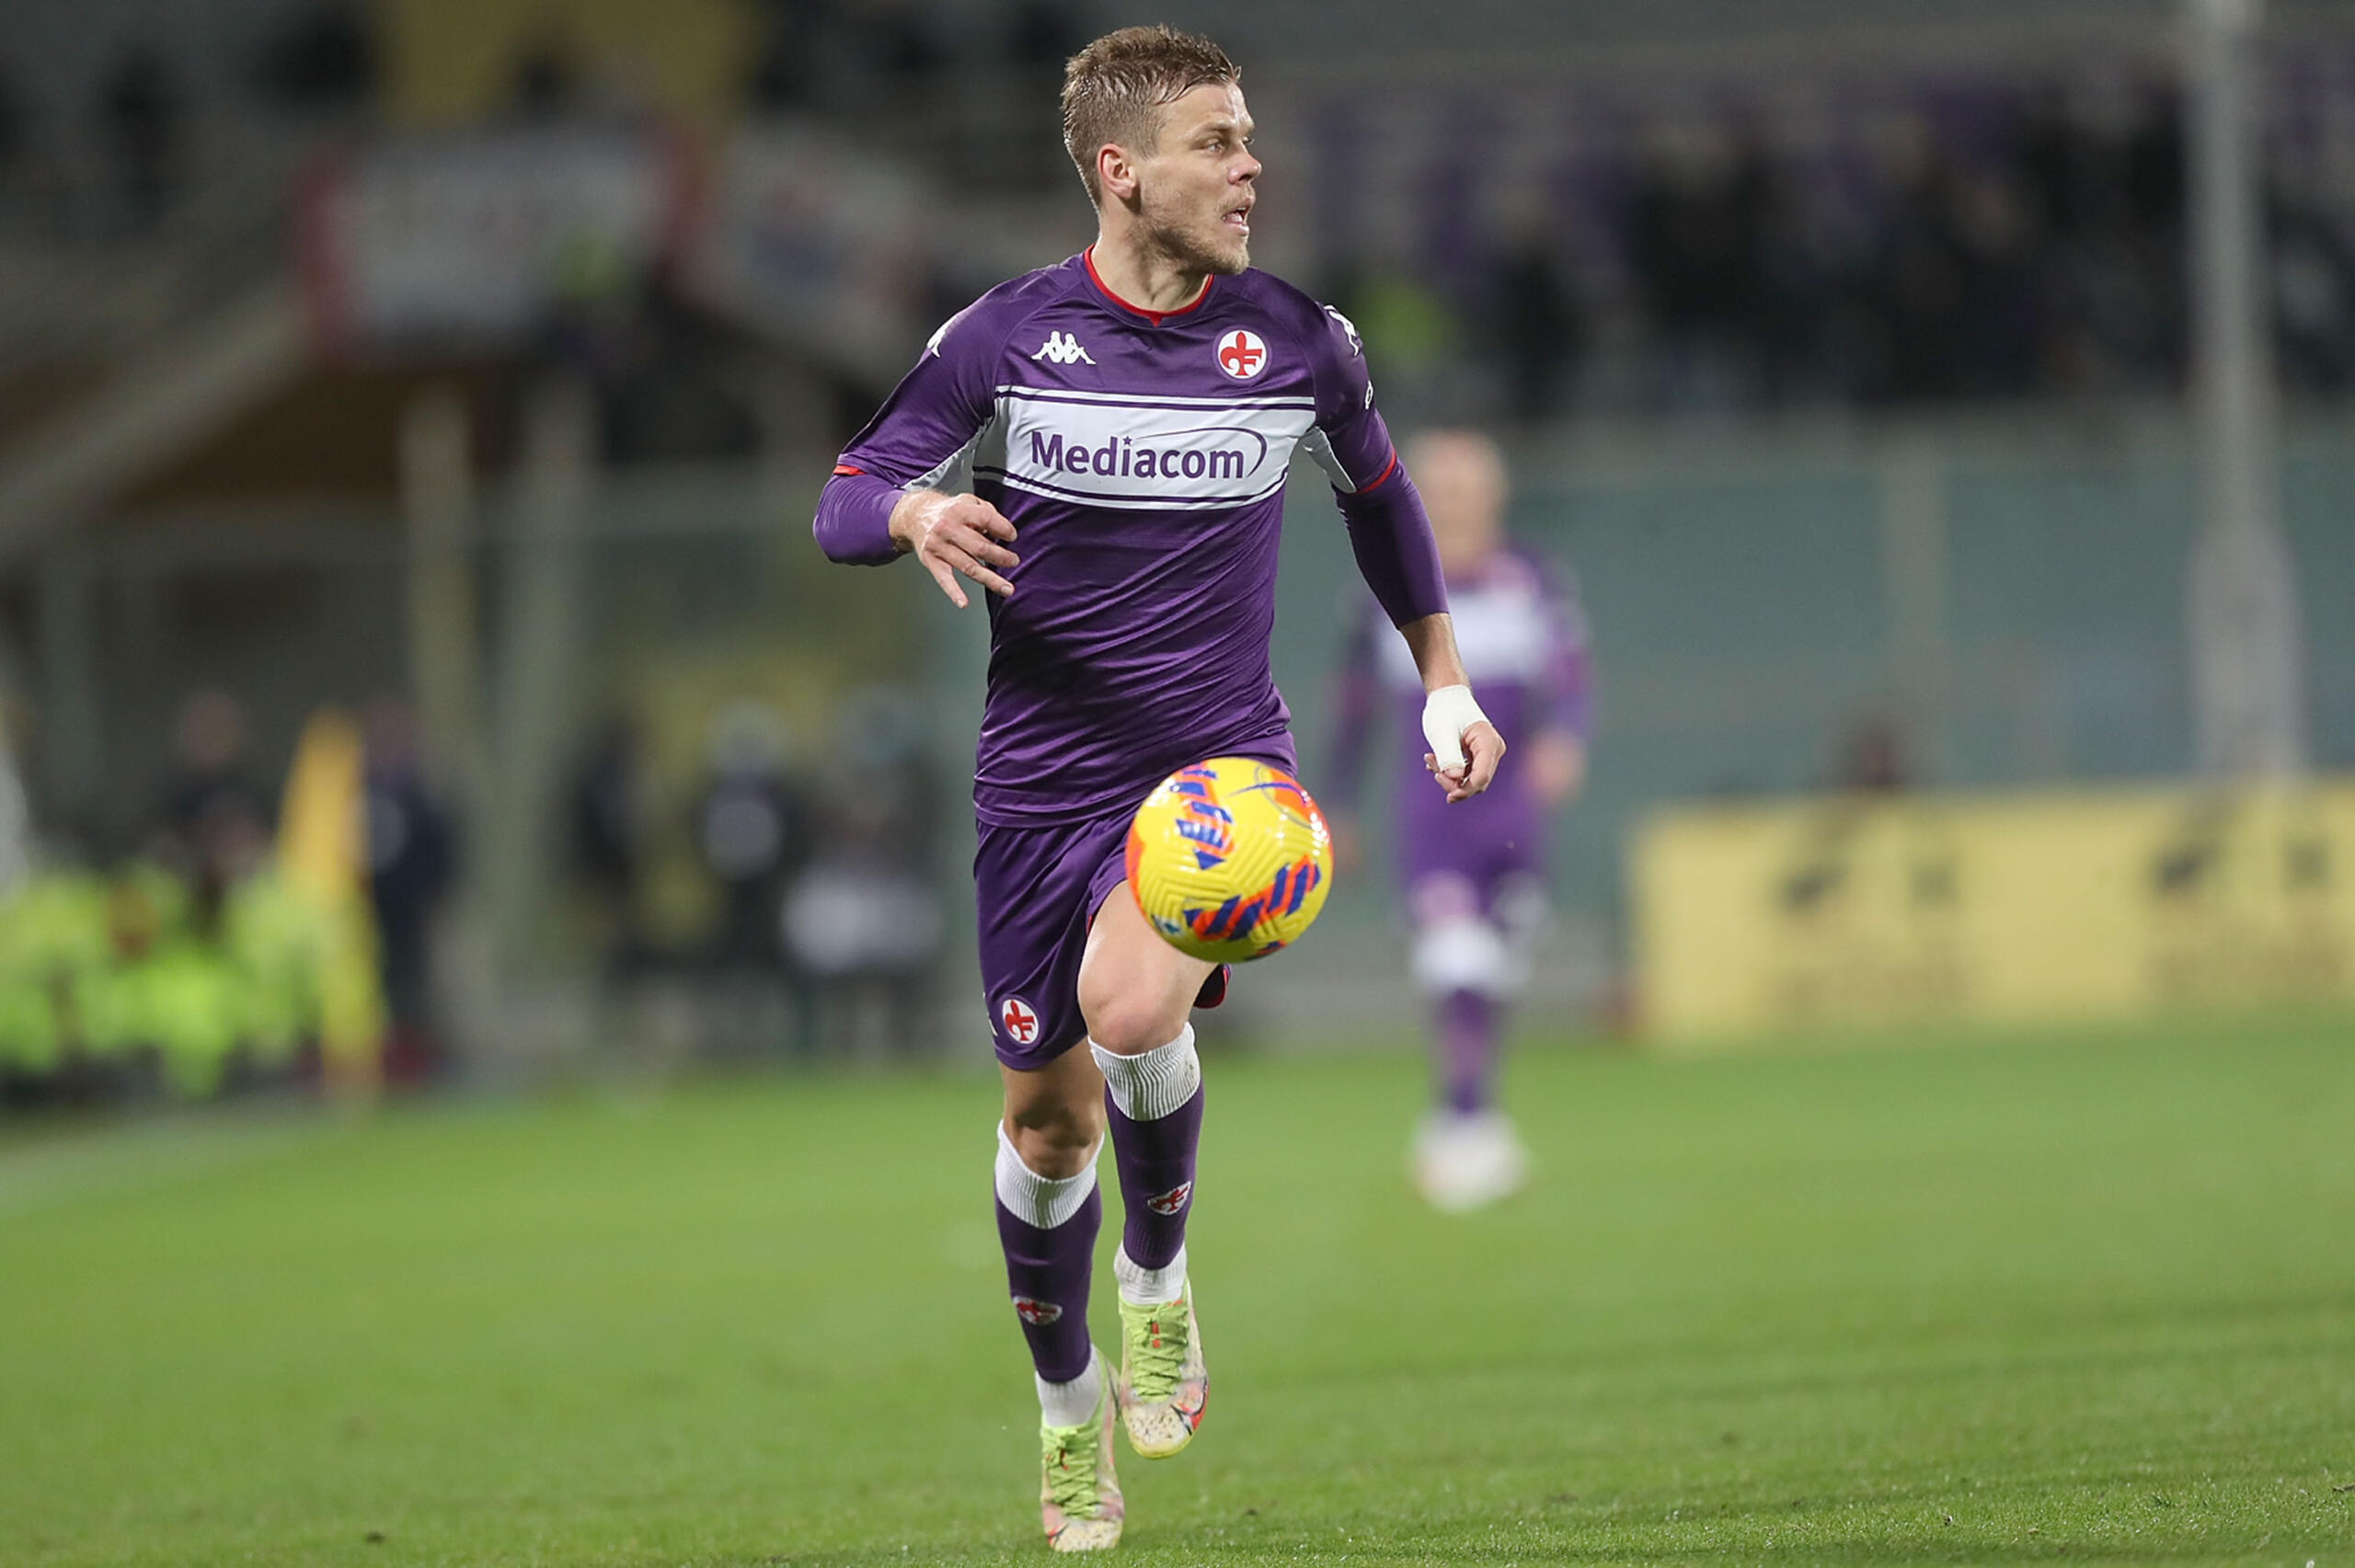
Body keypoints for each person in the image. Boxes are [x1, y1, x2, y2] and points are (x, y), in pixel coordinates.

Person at [811, 27, 1505, 1552]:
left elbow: (1382, 502)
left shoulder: (1303, 342)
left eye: (1247, 138)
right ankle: (1069, 1414)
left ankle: (1157, 1277)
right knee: (1049, 1134)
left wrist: (1444, 677)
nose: (1250, 167)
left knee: (1134, 1014)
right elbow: (844, 497)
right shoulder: (1005, 338)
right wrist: (918, 511)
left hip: (1213, 773)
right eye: (1216, 142)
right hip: (1036, 792)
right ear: (1122, 171)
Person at [1327, 430, 1592, 1212]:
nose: (1454, 499)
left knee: (1495, 967)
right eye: (1439, 486)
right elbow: (1353, 710)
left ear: (1494, 493)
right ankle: (1466, 1125)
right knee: (1456, 962)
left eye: (1466, 484)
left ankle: (1466, 1117)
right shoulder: (1387, 592)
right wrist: (1338, 804)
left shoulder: (1533, 580)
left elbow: (1572, 676)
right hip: (1433, 814)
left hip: (1513, 814)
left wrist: (1565, 738)